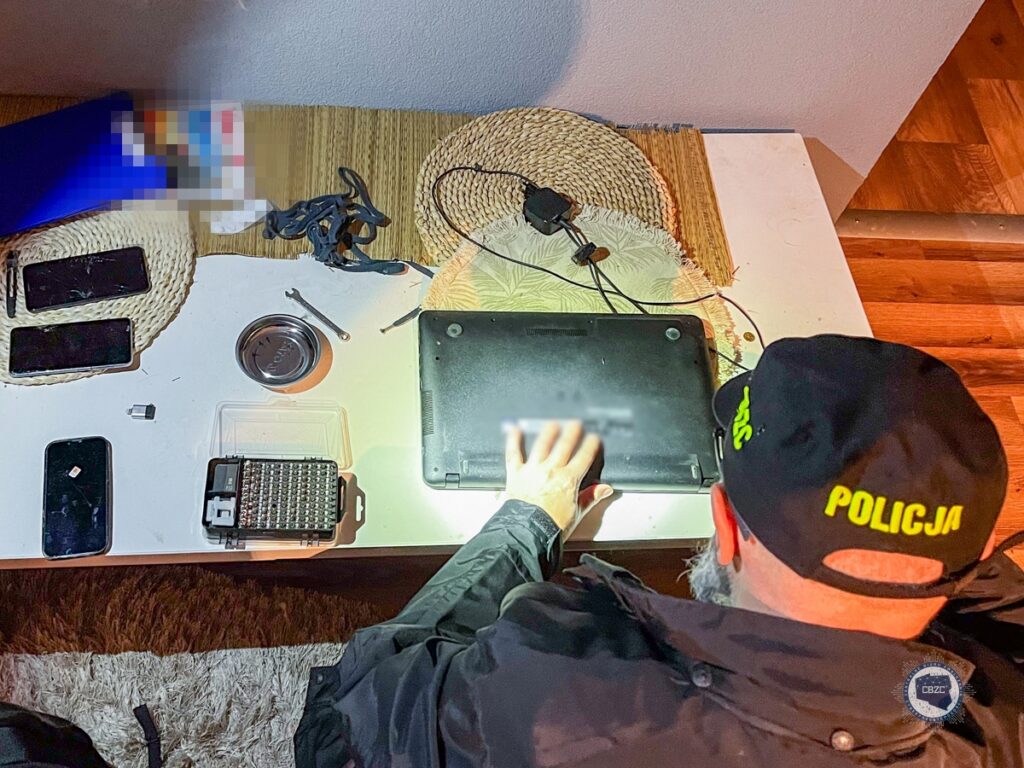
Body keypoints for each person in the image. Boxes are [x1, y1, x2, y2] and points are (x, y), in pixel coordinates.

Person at [295, 335, 1024, 767]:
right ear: (983, 551)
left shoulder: (551, 687)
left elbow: (345, 719)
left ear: (724, 524)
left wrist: (525, 520)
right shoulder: (1001, 717)